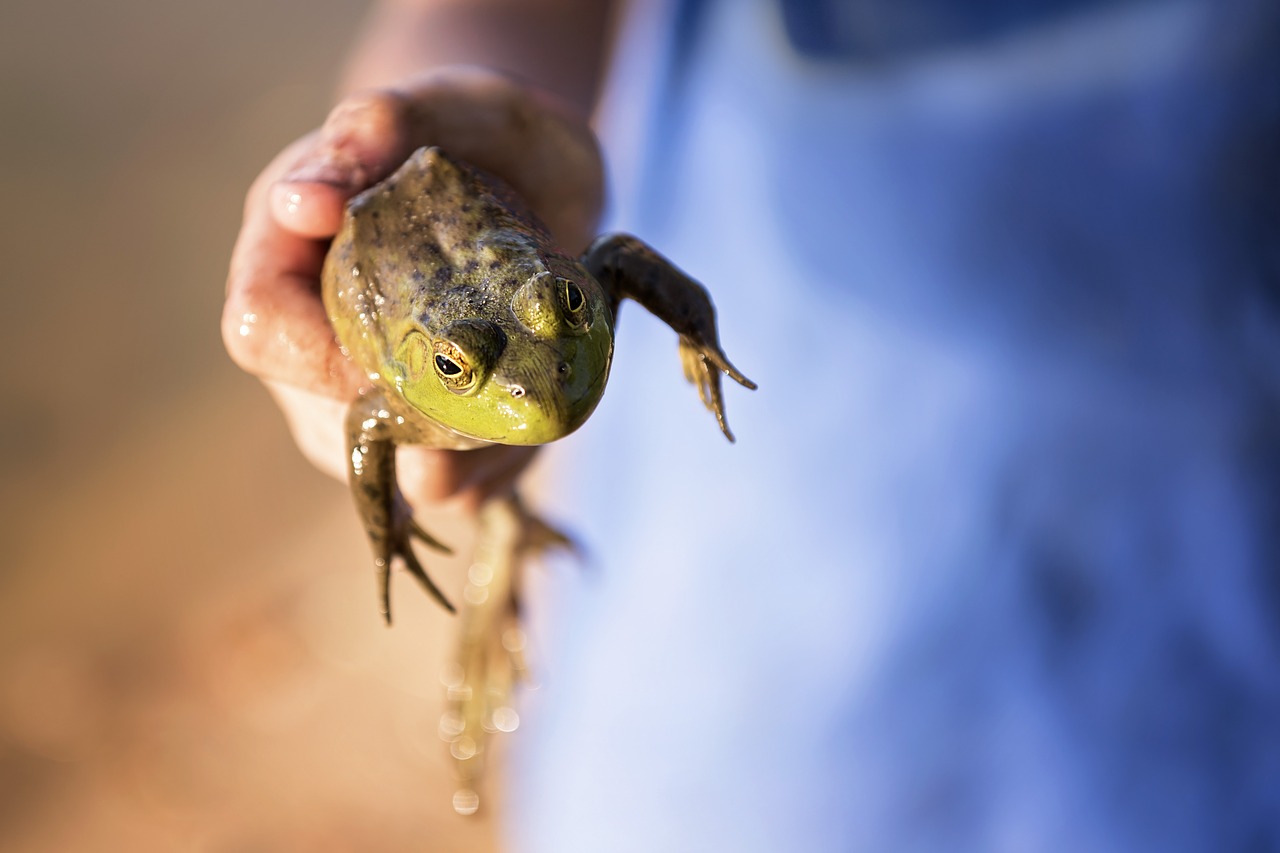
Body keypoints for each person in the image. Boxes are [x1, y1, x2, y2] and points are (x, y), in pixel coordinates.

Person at [225, 0, 1280, 850]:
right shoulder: (430, 377)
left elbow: (623, 268)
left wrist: (687, 335)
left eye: (568, 307)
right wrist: (454, 110)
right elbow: (384, 409)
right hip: (784, 476)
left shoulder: (576, 296)